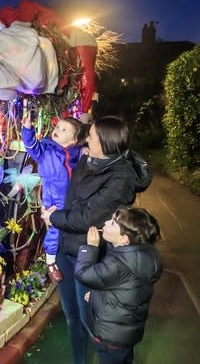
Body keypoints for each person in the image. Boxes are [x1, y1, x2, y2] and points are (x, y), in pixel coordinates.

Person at [41, 116, 150, 364]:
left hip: (91, 257)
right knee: (72, 315)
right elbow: (70, 194)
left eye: (90, 135)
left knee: (93, 322)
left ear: (105, 143)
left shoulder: (121, 178)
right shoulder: (89, 158)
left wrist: (54, 217)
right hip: (65, 249)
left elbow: (88, 217)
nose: (86, 138)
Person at [76, 207, 162, 364]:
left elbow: (84, 274)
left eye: (113, 223)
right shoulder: (144, 254)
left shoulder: (120, 263)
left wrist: (91, 247)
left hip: (111, 336)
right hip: (125, 333)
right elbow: (123, 289)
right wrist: (96, 294)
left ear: (124, 239)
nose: (106, 223)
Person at [21, 114, 86, 282]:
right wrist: (28, 129)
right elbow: (31, 145)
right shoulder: (46, 149)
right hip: (53, 197)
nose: (57, 130)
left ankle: (66, 254)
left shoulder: (77, 152)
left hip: (72, 197)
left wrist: (86, 152)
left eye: (64, 130)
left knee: (68, 226)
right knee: (55, 227)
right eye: (58, 127)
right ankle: (50, 261)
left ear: (74, 140)